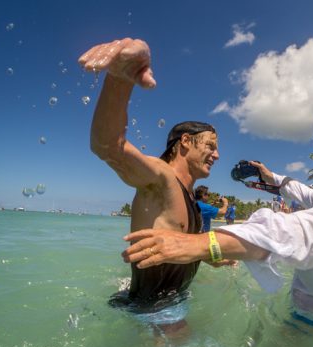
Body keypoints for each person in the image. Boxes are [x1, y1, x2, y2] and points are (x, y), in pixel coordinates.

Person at [121, 132, 313, 326]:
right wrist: (269, 176)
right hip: (305, 314)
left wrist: (202, 245)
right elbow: (300, 191)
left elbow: (299, 232)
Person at [78, 38, 228, 331]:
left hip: (166, 305)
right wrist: (121, 78)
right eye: (211, 145)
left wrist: (206, 256)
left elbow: (176, 246)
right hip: (155, 314)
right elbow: (107, 146)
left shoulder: (191, 200)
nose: (217, 154)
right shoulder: (161, 177)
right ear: (185, 142)